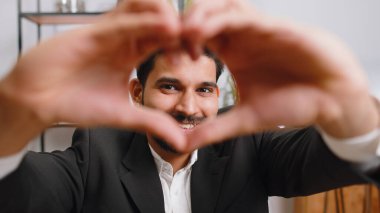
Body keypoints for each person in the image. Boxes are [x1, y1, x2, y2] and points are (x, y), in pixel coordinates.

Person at [0, 0, 379, 212]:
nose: (188, 107)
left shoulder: (251, 147)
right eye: (169, 86)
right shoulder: (94, 149)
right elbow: (22, 194)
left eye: (204, 90)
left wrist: (345, 105)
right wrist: (14, 111)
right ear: (136, 92)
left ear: (219, 94)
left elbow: (347, 157)